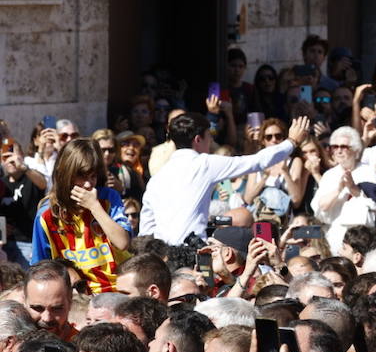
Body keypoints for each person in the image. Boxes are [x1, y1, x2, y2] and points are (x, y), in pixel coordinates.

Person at [142, 112, 309, 244]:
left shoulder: (156, 179)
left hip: (160, 260)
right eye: (209, 137)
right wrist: (292, 141)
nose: (211, 142)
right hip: (192, 257)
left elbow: (146, 230)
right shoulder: (204, 163)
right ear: (198, 139)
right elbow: (257, 161)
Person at [31, 139, 133, 292]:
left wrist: (94, 207)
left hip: (116, 291)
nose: (88, 184)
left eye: (92, 176)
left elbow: (122, 242)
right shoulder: (46, 215)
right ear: (65, 175)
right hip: (76, 297)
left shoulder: (109, 198)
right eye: (82, 176)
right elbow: (39, 268)